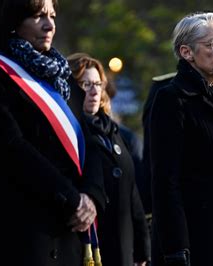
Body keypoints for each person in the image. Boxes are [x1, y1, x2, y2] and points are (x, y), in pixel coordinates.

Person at [0, 0, 106, 265]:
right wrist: (72, 200)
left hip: (70, 232)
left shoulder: (61, 76)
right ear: (12, 21)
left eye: (52, 16)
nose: (49, 25)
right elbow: (10, 147)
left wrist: (91, 196)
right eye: (38, 16)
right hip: (22, 230)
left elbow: (89, 139)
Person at [148, 11, 213, 266]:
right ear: (187, 52)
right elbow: (165, 183)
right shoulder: (171, 99)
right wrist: (176, 250)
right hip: (196, 246)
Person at [67, 53, 151, 266]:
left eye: (98, 84)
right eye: (86, 84)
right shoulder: (69, 132)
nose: (94, 91)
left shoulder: (112, 131)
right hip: (89, 246)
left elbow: (132, 192)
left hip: (123, 246)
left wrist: (142, 250)